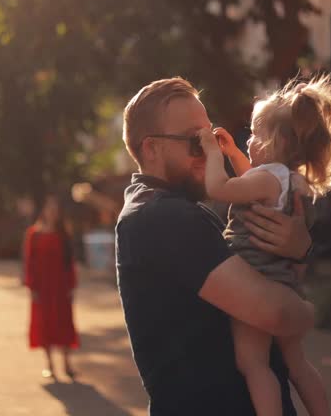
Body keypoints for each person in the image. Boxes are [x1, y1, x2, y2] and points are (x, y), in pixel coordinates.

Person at [115, 78, 316, 415]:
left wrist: (299, 250)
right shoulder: (164, 218)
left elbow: (278, 278)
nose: (211, 150)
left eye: (211, 136)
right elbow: (278, 313)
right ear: (151, 148)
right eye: (197, 141)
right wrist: (310, 314)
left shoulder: (169, 209)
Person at [198, 76, 331, 416]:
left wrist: (211, 154)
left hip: (257, 280)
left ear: (273, 141)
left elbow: (220, 189)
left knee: (253, 364)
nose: (248, 141)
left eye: (253, 134)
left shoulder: (264, 180)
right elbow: (252, 181)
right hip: (284, 282)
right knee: (298, 364)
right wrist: (233, 152)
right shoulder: (290, 180)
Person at [22, 195, 79, 380]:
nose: (53, 212)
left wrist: (72, 285)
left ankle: (67, 364)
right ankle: (49, 365)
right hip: (42, 287)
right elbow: (29, 262)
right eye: (50, 208)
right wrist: (31, 287)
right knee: (44, 324)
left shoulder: (64, 233)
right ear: (44, 210)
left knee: (64, 323)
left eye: (56, 209)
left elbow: (70, 262)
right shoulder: (34, 234)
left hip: (61, 286)